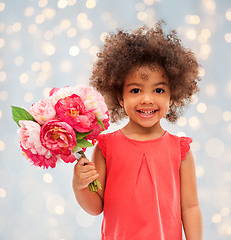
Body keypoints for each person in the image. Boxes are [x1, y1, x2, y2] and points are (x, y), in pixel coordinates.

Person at [72, 21, 203, 240]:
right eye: (135, 90)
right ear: (120, 98)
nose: (147, 99)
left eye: (159, 89)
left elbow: (190, 207)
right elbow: (96, 207)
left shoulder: (180, 150)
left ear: (172, 97)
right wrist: (79, 185)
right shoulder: (106, 147)